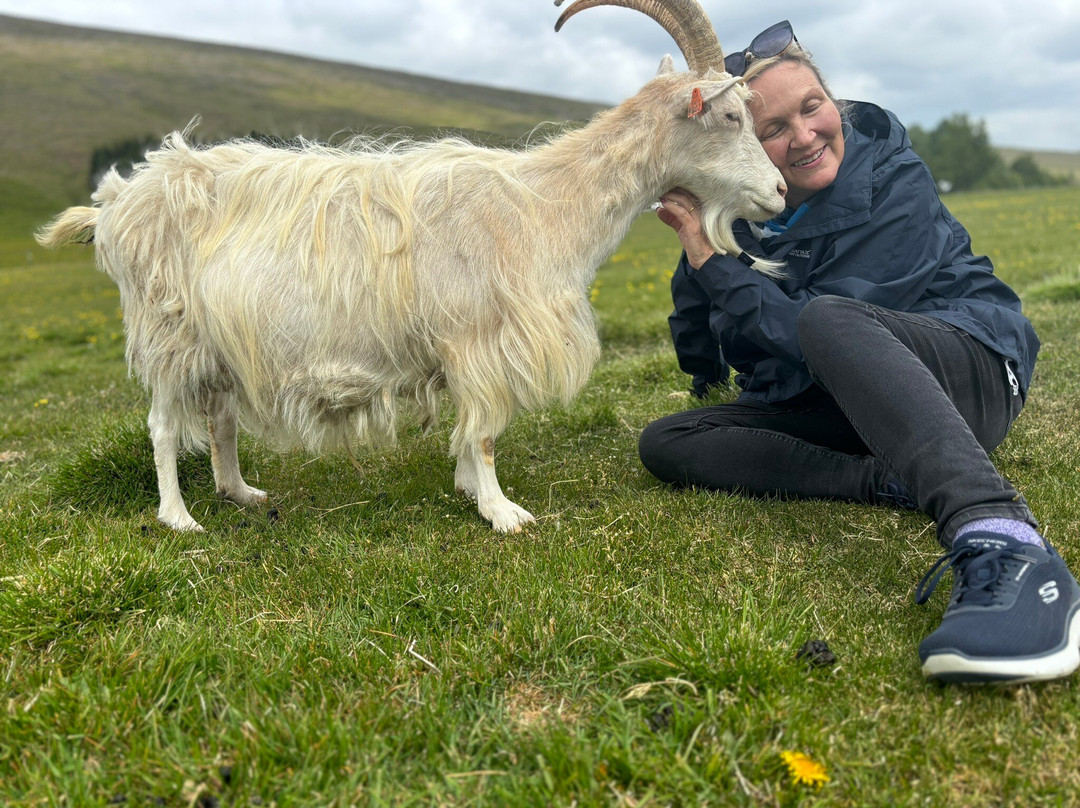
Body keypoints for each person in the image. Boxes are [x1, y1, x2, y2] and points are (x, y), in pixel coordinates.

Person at [637, 20, 1080, 684]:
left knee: (825, 319)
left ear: (833, 100)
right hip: (856, 405)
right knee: (669, 440)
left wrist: (714, 264)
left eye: (812, 107)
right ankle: (890, 481)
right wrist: (702, 376)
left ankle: (1005, 539)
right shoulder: (743, 213)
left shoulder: (890, 177)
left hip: (970, 374)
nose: (806, 135)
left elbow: (808, 334)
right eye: (775, 130)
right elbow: (693, 296)